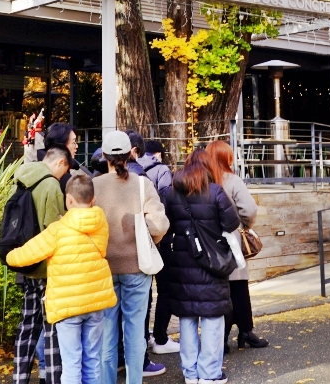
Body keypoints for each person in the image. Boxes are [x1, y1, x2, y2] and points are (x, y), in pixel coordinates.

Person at [6, 174, 116, 384]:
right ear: (93, 199)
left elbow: (27, 253)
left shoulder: (58, 230)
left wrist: (8, 255)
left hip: (68, 305)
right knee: (92, 361)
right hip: (96, 303)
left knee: (71, 363)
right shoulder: (101, 223)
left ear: (69, 200)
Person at [91, 131, 169, 384]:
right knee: (135, 334)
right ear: (131, 154)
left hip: (103, 269)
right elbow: (159, 225)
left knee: (107, 334)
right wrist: (145, 238)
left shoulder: (94, 186)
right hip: (137, 267)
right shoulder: (141, 184)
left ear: (103, 156)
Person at [158, 148, 239, 384]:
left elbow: (166, 226)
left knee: (187, 317)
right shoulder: (215, 191)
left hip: (181, 263)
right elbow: (232, 222)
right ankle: (209, 373)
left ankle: (190, 372)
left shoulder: (171, 192)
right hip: (212, 262)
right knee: (212, 317)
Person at [11, 144, 72, 384]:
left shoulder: (21, 179)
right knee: (51, 328)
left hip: (26, 262)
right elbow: (53, 230)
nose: (64, 175)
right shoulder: (50, 185)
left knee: (27, 326)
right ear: (59, 163)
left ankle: (19, 378)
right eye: (65, 169)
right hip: (46, 269)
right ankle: (52, 379)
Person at [205, 141, 267, 351]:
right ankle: (245, 332)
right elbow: (249, 210)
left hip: (208, 242)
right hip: (231, 240)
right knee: (239, 288)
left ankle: (221, 337)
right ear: (226, 158)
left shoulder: (203, 180)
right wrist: (244, 226)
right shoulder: (232, 180)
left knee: (219, 290)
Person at [139, 141, 177, 356]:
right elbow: (167, 204)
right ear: (159, 154)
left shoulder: (130, 169)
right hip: (161, 239)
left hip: (136, 241)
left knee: (143, 294)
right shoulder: (162, 170)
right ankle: (161, 338)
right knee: (165, 290)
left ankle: (143, 338)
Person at [43, 124, 89, 191]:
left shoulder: (35, 169)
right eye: (73, 142)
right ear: (61, 146)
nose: (76, 146)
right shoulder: (63, 181)